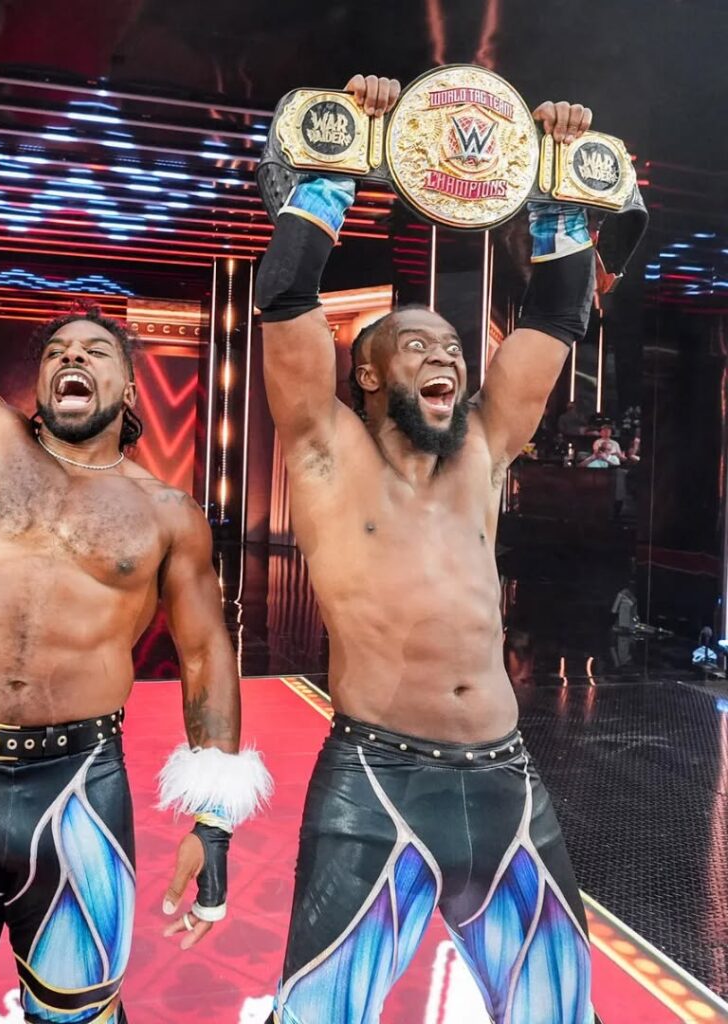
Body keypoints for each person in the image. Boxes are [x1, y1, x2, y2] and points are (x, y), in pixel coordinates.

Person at [0, 179, 271, 1024]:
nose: (71, 359)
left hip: (80, 783)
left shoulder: (167, 514)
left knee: (79, 1013)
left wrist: (215, 827)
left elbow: (206, 656)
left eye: (94, 352)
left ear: (130, 389)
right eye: (56, 352)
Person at [256, 74, 603, 1024]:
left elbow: (555, 319)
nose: (446, 355)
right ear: (367, 373)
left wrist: (556, 182)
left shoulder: (483, 448)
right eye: (417, 346)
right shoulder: (326, 450)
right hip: (377, 779)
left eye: (452, 345)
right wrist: (338, 158)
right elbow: (286, 295)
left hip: (506, 775)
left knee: (561, 1014)